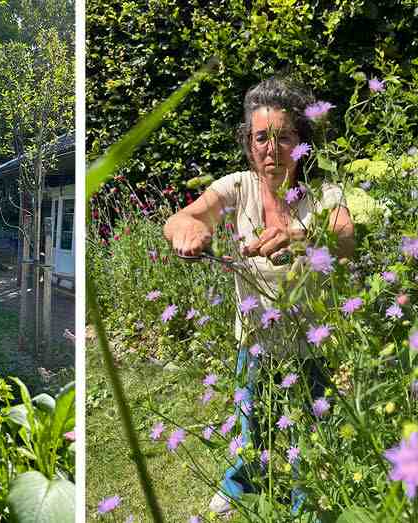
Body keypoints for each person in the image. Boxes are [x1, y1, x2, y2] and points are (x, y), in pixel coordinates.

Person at [162, 76, 354, 515]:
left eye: (284, 137)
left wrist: (301, 233)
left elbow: (344, 235)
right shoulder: (236, 186)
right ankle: (238, 487)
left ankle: (305, 501)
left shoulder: (323, 192)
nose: (272, 149)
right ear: (248, 142)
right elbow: (182, 218)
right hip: (256, 340)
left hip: (313, 344)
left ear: (302, 142)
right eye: (261, 137)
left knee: (312, 433)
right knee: (253, 427)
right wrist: (188, 229)